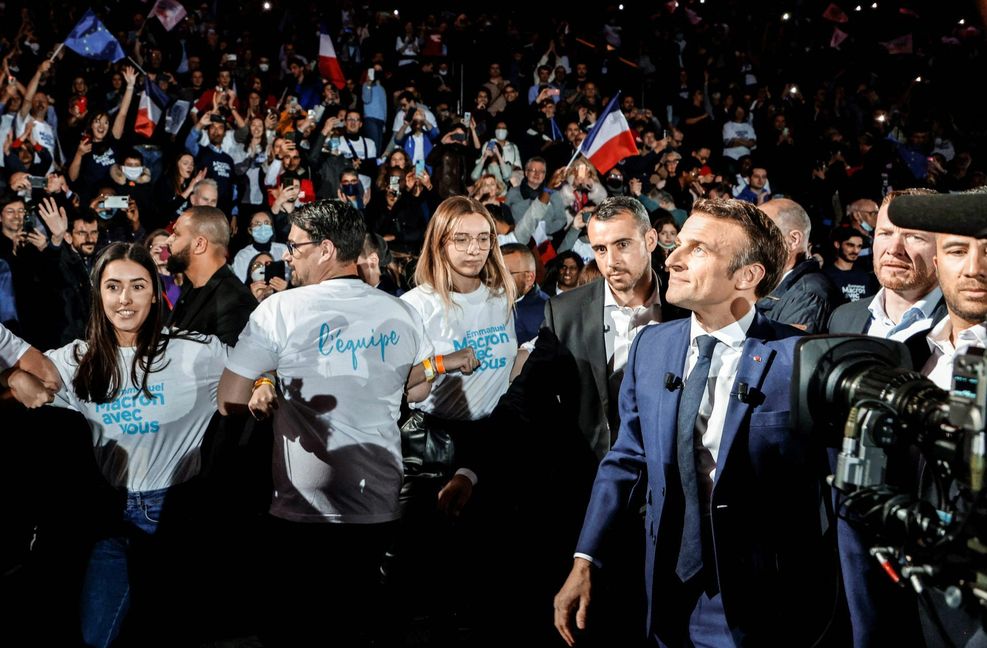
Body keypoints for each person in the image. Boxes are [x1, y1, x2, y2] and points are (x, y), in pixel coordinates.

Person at [554, 198, 858, 647]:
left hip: (764, 604)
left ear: (747, 276)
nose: (671, 258)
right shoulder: (651, 346)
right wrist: (586, 557)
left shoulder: (802, 360)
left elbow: (842, 498)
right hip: (666, 589)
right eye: (678, 244)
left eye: (697, 249)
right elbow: (626, 459)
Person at [216, 199, 455, 646]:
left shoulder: (279, 310)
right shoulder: (401, 312)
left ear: (325, 249)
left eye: (295, 246)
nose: (288, 255)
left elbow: (228, 398)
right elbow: (417, 391)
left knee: (299, 628)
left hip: (303, 503)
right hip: (379, 497)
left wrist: (268, 388)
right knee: (360, 625)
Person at [6, 243, 230, 647]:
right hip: (109, 516)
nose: (124, 299)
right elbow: (19, 368)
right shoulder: (77, 360)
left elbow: (256, 366)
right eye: (112, 287)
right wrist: (11, 380)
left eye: (137, 286)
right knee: (97, 637)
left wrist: (264, 383)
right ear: (99, 294)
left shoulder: (196, 353)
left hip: (175, 518)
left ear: (155, 292)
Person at [493, 196, 666, 644]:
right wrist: (474, 467)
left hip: (670, 491)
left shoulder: (686, 306)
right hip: (590, 489)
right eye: (600, 249)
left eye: (623, 244)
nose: (611, 261)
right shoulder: (565, 311)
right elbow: (524, 397)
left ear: (651, 240)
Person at [391, 195, 519, 642]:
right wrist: (441, 363)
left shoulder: (502, 295)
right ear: (440, 242)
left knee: (484, 570)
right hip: (435, 446)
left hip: (494, 439)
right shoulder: (415, 305)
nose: (474, 248)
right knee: (428, 569)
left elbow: (506, 368)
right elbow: (398, 387)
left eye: (483, 238)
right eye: (461, 239)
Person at [829, 189, 945, 347]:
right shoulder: (842, 319)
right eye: (885, 234)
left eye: (914, 236)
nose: (893, 248)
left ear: (944, 248)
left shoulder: (969, 328)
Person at [165, 206, 256, 346]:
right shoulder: (190, 286)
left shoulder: (236, 302)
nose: (168, 241)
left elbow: (229, 364)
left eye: (176, 234)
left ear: (200, 244)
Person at [757, 198, 838, 333]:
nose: (750, 241)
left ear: (793, 239)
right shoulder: (768, 284)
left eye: (760, 233)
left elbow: (782, 350)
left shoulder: (809, 294)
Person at [501, 242, 549, 345]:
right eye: (495, 272)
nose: (498, 280)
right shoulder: (486, 302)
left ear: (529, 278)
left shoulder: (547, 313)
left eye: (505, 274)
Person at [823, 226, 879, 304]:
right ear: (837, 244)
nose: (855, 251)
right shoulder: (826, 276)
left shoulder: (864, 276)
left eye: (859, 246)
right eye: (850, 245)